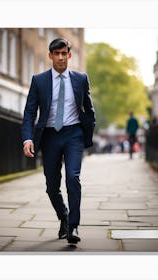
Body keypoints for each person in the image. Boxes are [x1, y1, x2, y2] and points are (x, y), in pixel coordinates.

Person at [22, 38, 95, 244]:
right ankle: (63, 215)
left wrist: (87, 132)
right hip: (49, 136)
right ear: (50, 56)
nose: (61, 57)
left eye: (64, 53)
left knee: (73, 177)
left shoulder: (81, 79)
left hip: (73, 135)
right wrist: (28, 138)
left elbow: (89, 109)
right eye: (57, 54)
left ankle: (73, 226)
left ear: (69, 55)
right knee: (52, 186)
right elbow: (29, 112)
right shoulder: (39, 80)